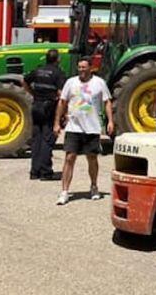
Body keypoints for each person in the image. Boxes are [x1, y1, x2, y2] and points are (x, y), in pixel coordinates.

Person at [54, 57, 114, 205]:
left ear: (90, 68)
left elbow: (107, 102)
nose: (81, 70)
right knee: (69, 157)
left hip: (92, 127)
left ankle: (94, 186)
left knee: (92, 158)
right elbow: (62, 102)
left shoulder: (99, 83)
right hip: (74, 126)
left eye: (84, 67)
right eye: (79, 67)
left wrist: (110, 121)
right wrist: (57, 123)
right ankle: (65, 191)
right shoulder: (71, 82)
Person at [25, 49, 65, 180]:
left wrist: (33, 93)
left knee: (36, 139)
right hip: (48, 108)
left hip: (36, 106)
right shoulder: (58, 73)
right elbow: (60, 94)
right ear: (57, 59)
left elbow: (24, 81)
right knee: (47, 140)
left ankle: (34, 171)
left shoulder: (38, 70)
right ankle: (45, 172)